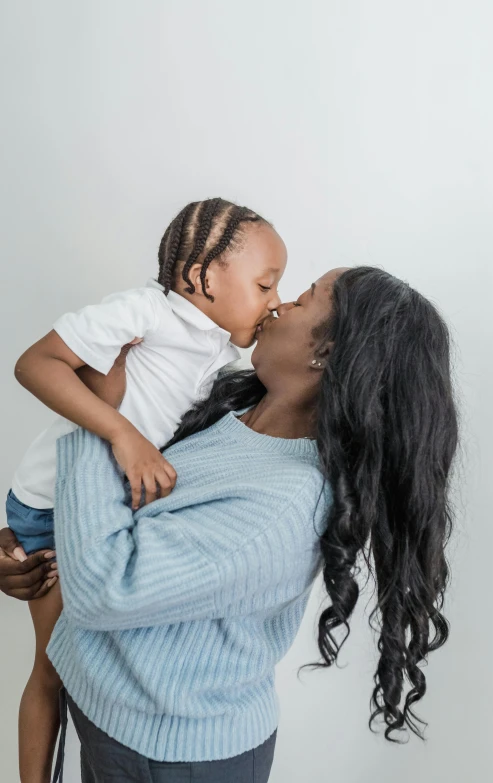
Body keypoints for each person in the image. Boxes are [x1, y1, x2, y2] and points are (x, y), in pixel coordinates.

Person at [0, 266, 459, 782]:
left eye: (302, 299)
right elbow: (127, 514)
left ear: (325, 354)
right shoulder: (232, 410)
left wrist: (99, 418)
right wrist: (24, 543)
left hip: (171, 755)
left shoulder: (285, 505)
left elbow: (106, 586)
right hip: (114, 715)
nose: (278, 306)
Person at [5, 197, 287, 783]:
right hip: (53, 508)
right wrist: (120, 432)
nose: (276, 303)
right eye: (266, 285)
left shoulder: (219, 355)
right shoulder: (142, 312)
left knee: (80, 668)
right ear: (203, 278)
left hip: (106, 514)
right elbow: (35, 364)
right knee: (55, 668)